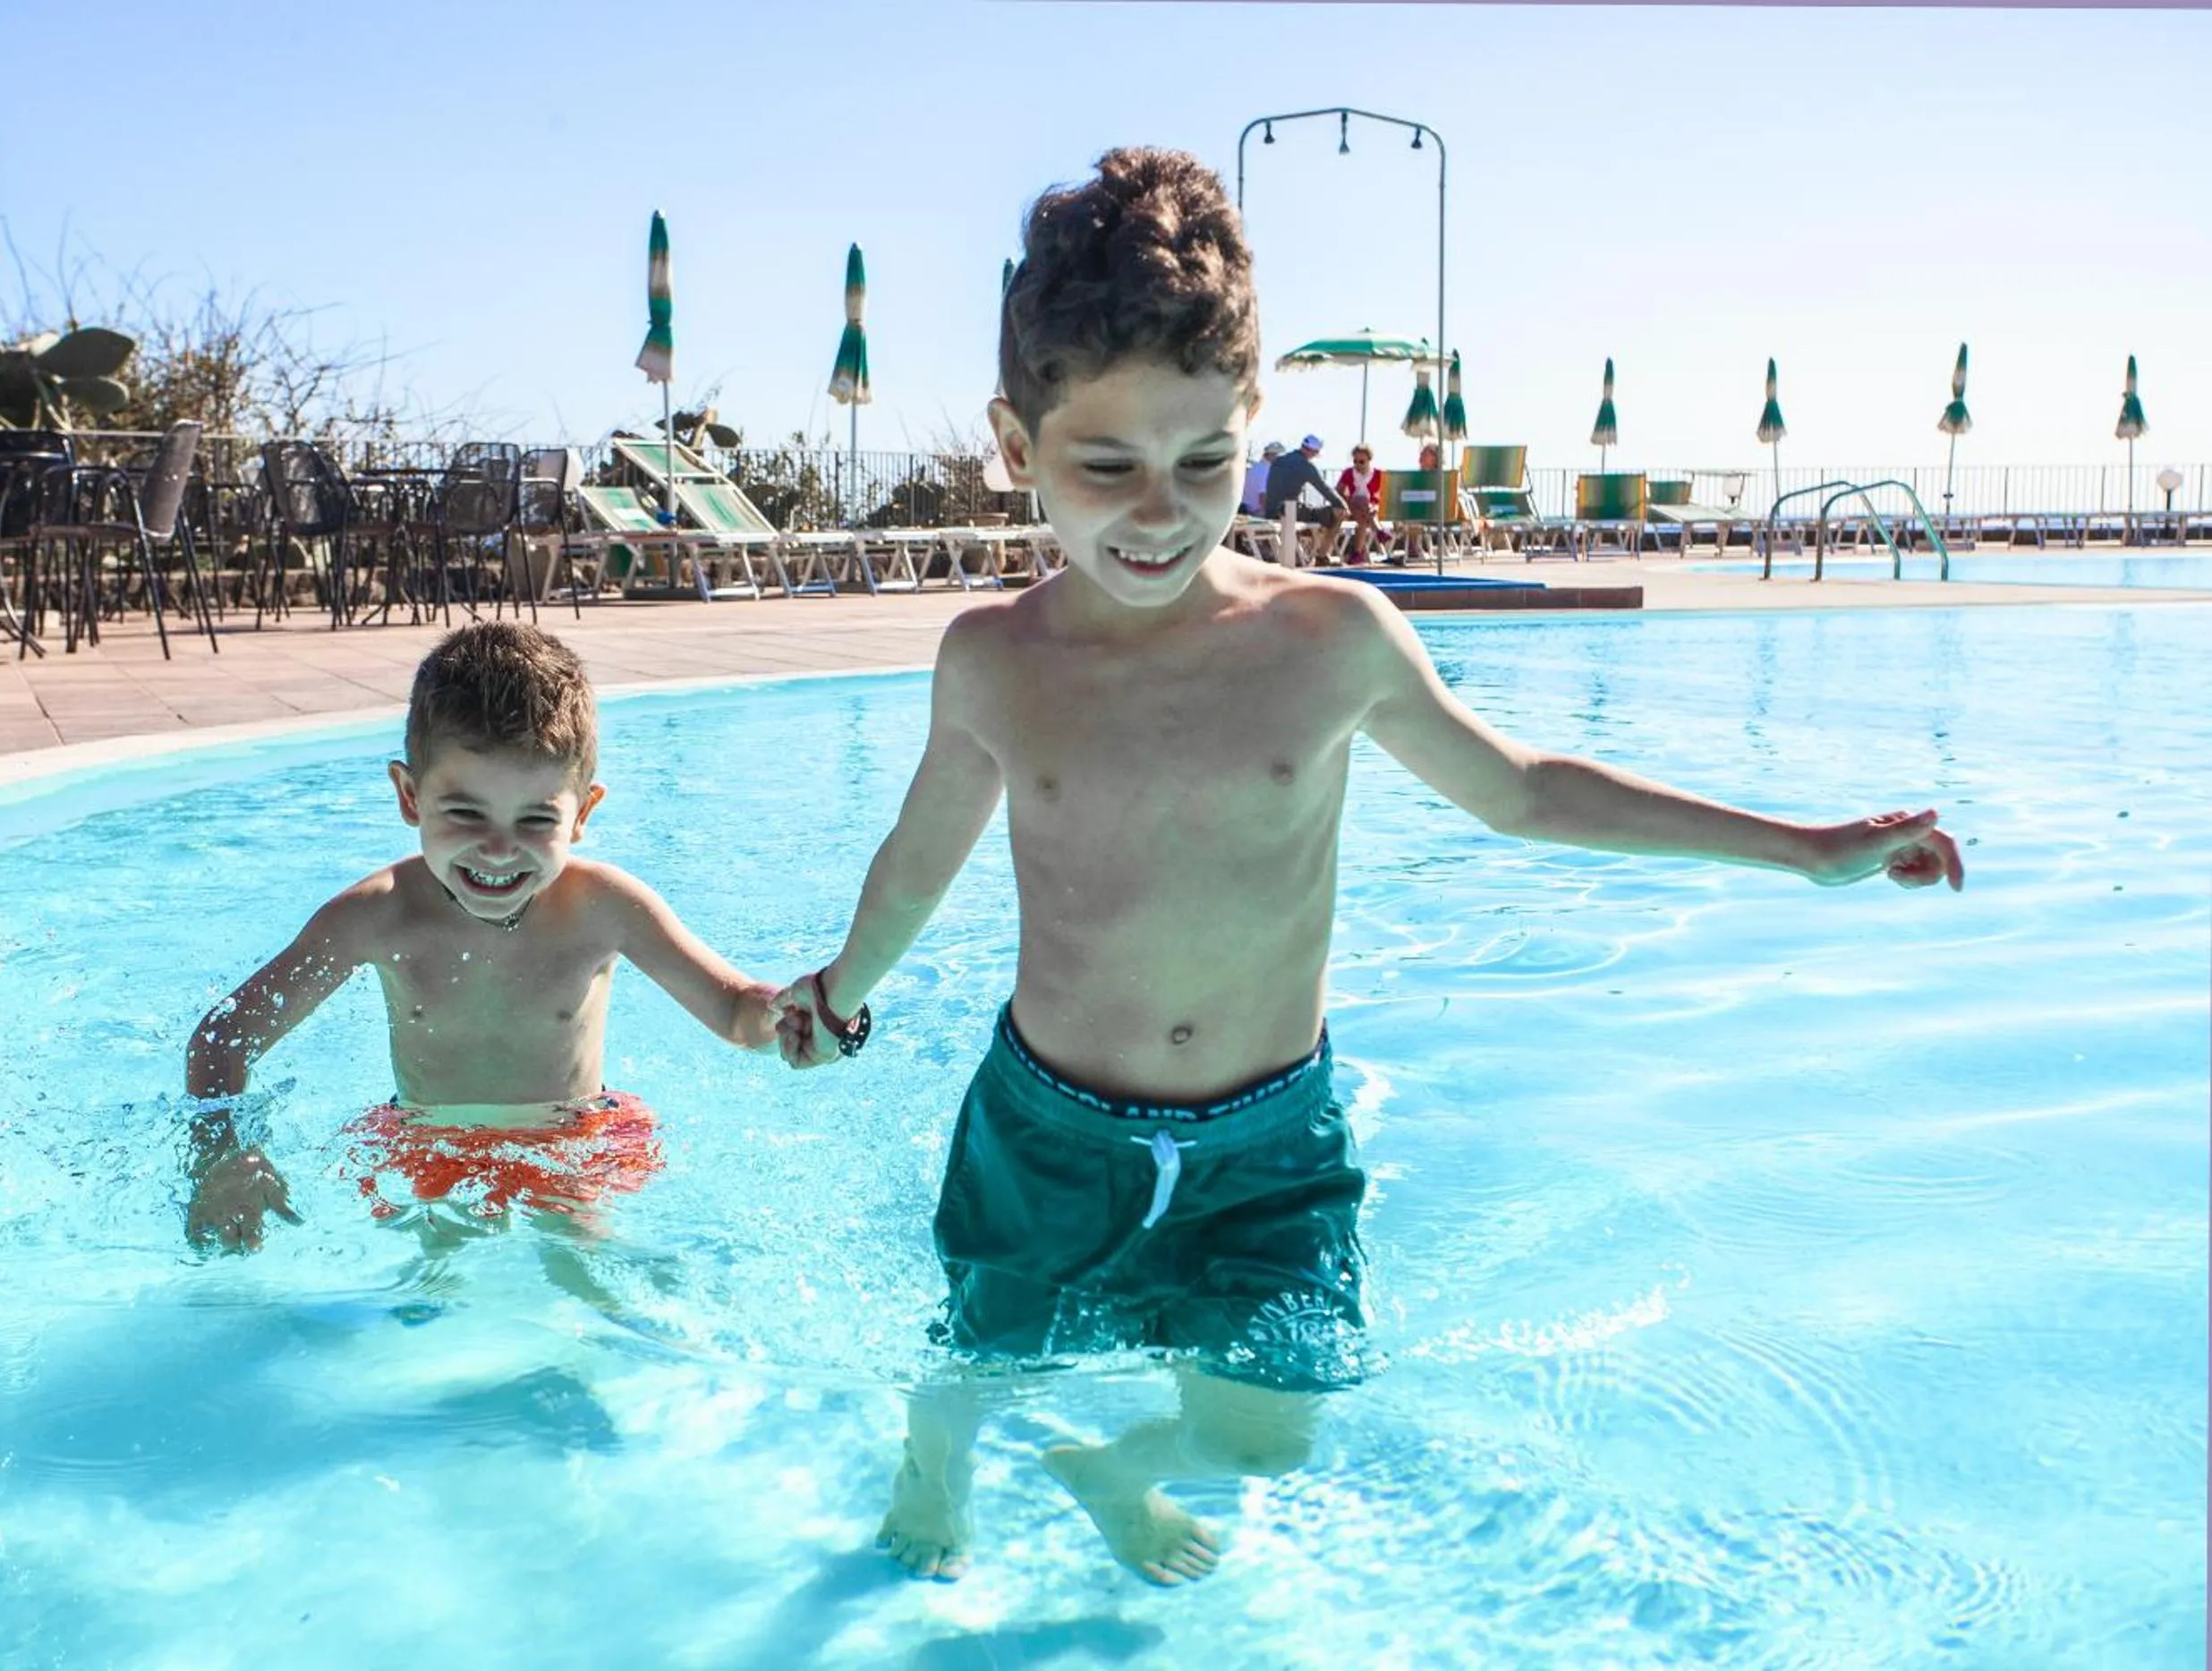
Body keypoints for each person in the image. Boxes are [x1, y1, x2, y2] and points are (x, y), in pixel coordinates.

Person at [767, 146, 1964, 1590]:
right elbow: (916, 863)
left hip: (1271, 1139)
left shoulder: (1327, 640)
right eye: (1106, 466)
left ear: (1250, 427)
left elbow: (1523, 791)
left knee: (1275, 1434)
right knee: (983, 1357)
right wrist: (839, 991)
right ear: (1014, 444)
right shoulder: (996, 662)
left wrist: (1804, 851)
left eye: (1203, 462)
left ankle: (1121, 1468)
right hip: (1044, 1130)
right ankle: (932, 1469)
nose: (1160, 509)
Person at [183, 622, 780, 1254]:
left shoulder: (606, 908)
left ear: (581, 815)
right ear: (410, 796)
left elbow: (736, 1011)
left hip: (567, 1144)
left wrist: (784, 1013)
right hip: (430, 1144)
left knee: (587, 1278)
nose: (498, 849)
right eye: (465, 812)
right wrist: (219, 1154)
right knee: (429, 1295)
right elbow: (224, 1037)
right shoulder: (375, 917)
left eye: (536, 819)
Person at [1260, 431, 1346, 563]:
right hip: (1288, 511)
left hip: (1271, 512)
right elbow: (1324, 489)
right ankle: (1322, 555)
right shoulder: (1306, 466)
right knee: (1337, 513)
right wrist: (1342, 505)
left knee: (1308, 511)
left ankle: (1304, 553)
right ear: (1314, 452)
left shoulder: (1278, 461)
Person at [1334, 443, 1386, 563]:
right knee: (1361, 501)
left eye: (1361, 462)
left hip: (1369, 510)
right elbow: (1338, 491)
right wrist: (1349, 500)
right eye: (1355, 461)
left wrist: (1375, 506)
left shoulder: (1378, 474)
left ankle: (1357, 554)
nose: (1358, 465)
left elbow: (1384, 495)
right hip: (1352, 506)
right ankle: (1379, 531)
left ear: (1369, 460)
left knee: (1363, 518)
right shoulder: (1349, 473)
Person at [1239, 440, 1281, 517]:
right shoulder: (1268, 470)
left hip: (1244, 509)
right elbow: (1262, 497)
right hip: (1256, 513)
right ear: (1271, 455)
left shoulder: (1255, 467)